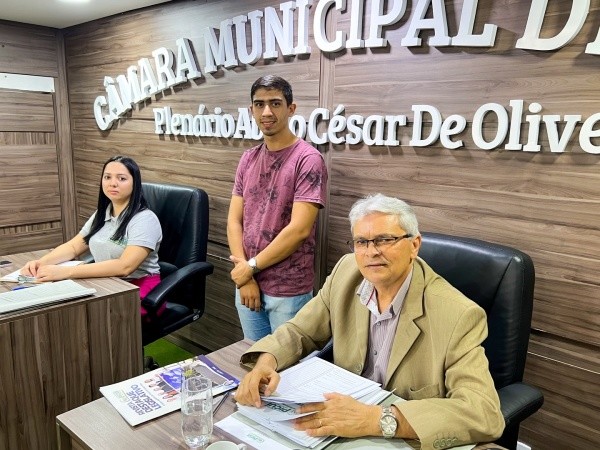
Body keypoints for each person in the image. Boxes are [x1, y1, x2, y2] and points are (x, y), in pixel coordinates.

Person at [235, 194, 505, 449]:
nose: (371, 252)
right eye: (361, 242)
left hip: (399, 434)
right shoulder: (346, 271)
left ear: (414, 245)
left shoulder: (458, 314)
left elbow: (483, 412)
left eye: (384, 239)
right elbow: (300, 330)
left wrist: (376, 419)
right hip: (339, 422)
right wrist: (266, 362)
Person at [227, 75, 328, 340]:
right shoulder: (248, 158)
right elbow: (234, 221)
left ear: (291, 108)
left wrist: (249, 268)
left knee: (289, 363)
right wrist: (245, 275)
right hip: (247, 282)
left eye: (275, 103)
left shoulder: (308, 159)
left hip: (288, 290)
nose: (267, 112)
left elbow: (299, 230)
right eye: (259, 104)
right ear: (251, 110)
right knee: (253, 356)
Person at [20, 155, 162, 319]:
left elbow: (125, 266)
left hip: (137, 290)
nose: (112, 183)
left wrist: (64, 272)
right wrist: (41, 263)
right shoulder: (102, 214)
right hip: (106, 283)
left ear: (135, 183)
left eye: (121, 178)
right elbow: (74, 247)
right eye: (107, 177)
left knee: (77, 316)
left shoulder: (144, 219)